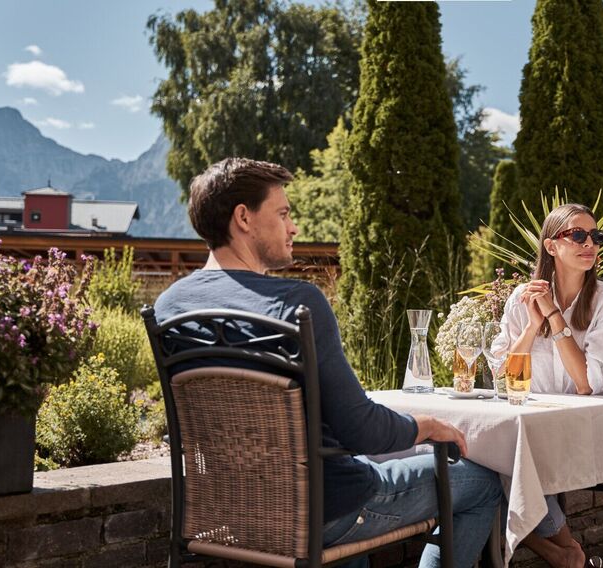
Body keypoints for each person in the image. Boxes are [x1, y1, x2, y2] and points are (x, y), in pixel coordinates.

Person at [153, 157, 502, 568]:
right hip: (326, 512)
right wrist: (424, 425)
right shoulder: (295, 303)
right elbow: (362, 430)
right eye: (283, 214)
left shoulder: (170, 307)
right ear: (243, 218)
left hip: (230, 515)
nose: (294, 227)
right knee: (483, 483)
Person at [491, 203, 603, 568]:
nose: (590, 243)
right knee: (487, 457)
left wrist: (554, 316)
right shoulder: (523, 297)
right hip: (539, 425)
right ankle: (565, 554)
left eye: (596, 236)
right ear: (551, 246)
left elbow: (585, 384)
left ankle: (561, 552)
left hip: (595, 429)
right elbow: (505, 378)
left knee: (501, 461)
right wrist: (529, 325)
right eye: (578, 235)